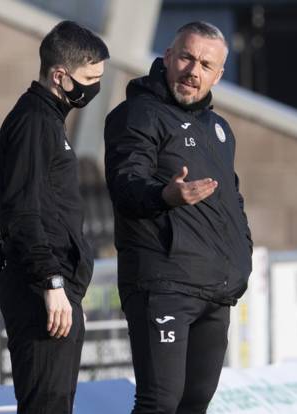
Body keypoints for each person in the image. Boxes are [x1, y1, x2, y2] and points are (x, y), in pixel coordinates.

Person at [104, 21, 253, 414]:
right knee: (159, 403)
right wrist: (165, 195)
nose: (193, 71)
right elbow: (125, 185)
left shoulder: (219, 130)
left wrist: (242, 258)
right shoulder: (138, 114)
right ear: (168, 56)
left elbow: (233, 202)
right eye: (187, 57)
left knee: (195, 403)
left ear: (219, 75)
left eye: (206, 64)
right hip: (164, 283)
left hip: (215, 290)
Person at [0, 21, 109, 414]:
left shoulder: (48, 121)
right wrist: (52, 281)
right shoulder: (34, 123)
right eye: (90, 78)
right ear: (60, 75)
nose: (95, 88)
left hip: (54, 290)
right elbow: (23, 213)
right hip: (41, 291)